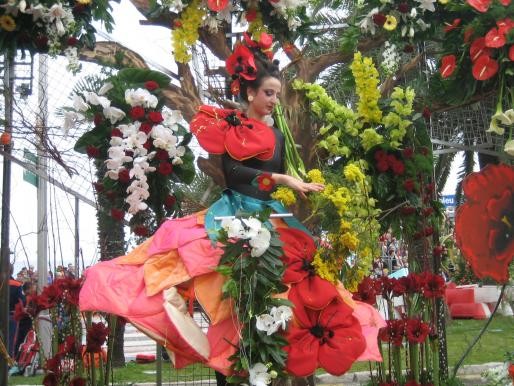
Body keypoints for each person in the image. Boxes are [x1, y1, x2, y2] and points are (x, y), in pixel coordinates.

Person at [79, 34, 384, 380]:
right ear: (251, 93)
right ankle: (222, 356)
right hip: (235, 212)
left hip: (271, 218)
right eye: (268, 93)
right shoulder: (229, 127)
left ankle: (280, 364)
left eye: (277, 95)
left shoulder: (280, 136)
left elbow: (273, 176)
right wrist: (286, 181)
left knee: (296, 291)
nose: (273, 100)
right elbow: (235, 174)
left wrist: (295, 186)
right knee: (210, 278)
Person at [9, 264, 25, 357]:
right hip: (11, 314)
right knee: (10, 340)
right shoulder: (17, 284)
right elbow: (22, 300)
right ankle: (8, 361)